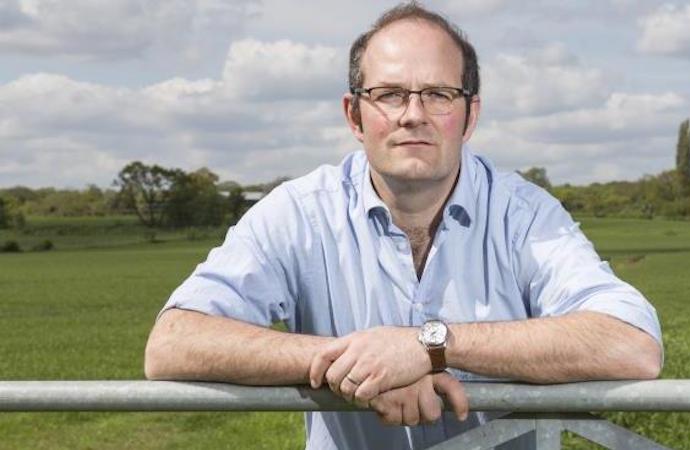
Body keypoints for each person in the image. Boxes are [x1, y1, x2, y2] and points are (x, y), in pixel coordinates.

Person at [144, 2, 663, 449]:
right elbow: (173, 342)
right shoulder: (299, 212)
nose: (413, 114)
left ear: (470, 114)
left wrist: (427, 346)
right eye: (389, 95)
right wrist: (362, 365)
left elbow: (632, 343)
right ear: (355, 116)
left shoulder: (522, 215)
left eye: (438, 94)